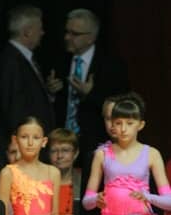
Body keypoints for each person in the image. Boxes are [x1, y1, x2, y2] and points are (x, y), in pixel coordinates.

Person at [47, 9, 129, 168]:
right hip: (62, 142)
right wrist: (51, 92)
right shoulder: (59, 60)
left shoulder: (111, 65)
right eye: (67, 32)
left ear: (91, 37)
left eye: (74, 34)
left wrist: (90, 94)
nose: (67, 37)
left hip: (95, 142)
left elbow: (121, 106)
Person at [0, 4, 55, 167]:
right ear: (27, 31)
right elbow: (14, 106)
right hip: (24, 150)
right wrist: (21, 144)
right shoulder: (11, 61)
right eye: (40, 29)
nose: (42, 33)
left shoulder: (23, 59)